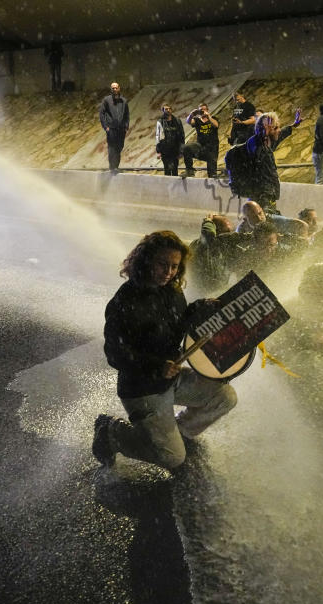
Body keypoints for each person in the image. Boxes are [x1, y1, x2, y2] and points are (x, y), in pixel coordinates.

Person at [93, 230, 238, 471]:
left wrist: (201, 307)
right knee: (172, 459)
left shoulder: (172, 290)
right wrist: (157, 366)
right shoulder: (125, 302)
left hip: (170, 380)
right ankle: (112, 433)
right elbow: (114, 353)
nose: (168, 272)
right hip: (142, 390)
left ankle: (177, 435)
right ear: (146, 260)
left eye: (174, 266)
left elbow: (177, 323)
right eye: (162, 264)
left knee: (225, 397)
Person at [237, 110, 303, 213]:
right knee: (263, 224)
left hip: (269, 194)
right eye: (275, 128)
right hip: (260, 196)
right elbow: (257, 156)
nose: (279, 130)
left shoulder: (269, 141)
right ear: (265, 130)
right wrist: (265, 133)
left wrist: (293, 125)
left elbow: (282, 134)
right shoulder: (254, 143)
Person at [183, 103, 221, 178]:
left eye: (204, 109)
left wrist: (209, 116)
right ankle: (189, 170)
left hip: (212, 148)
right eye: (201, 110)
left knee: (212, 174)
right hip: (200, 146)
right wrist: (192, 114)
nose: (203, 111)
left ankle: (212, 176)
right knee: (186, 148)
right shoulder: (197, 120)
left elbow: (216, 125)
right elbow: (188, 121)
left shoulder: (213, 118)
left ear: (207, 110)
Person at [99, 82, 130, 173]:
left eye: (116, 88)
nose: (115, 89)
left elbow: (127, 114)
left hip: (121, 129)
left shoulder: (124, 101)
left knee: (119, 147)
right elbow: (102, 114)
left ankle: (116, 166)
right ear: (111, 89)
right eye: (113, 88)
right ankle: (112, 167)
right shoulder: (107, 100)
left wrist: (126, 126)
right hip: (111, 128)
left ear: (119, 88)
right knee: (112, 148)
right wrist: (106, 127)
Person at [154, 103, 185, 176]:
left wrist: (181, 150)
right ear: (163, 111)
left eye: (169, 108)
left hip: (175, 149)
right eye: (166, 109)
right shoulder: (160, 121)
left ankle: (175, 187)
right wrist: (158, 151)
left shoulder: (177, 121)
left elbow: (181, 136)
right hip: (165, 149)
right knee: (167, 170)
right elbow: (158, 136)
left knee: (175, 169)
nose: (168, 110)